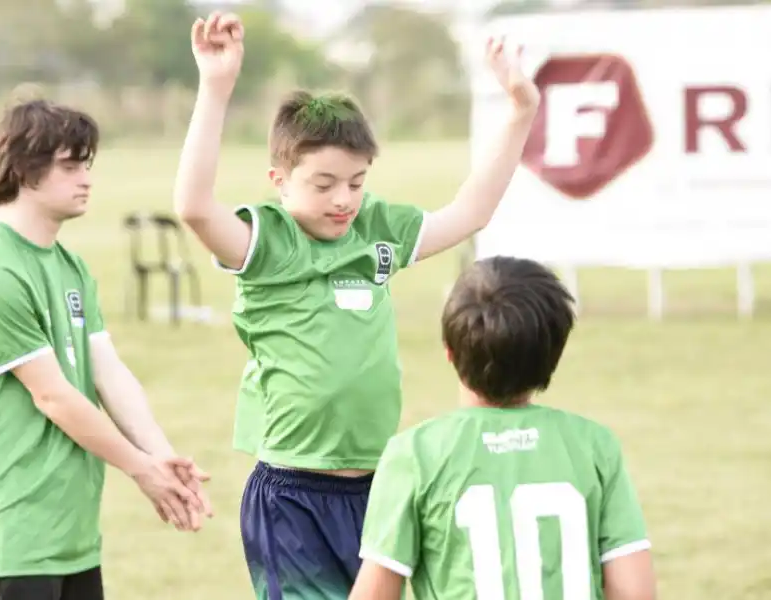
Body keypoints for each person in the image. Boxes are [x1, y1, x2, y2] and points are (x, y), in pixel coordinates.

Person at [174, 10, 541, 600]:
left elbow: (470, 212)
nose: (343, 199)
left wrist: (521, 110)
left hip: (379, 487)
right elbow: (194, 207)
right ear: (280, 179)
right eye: (323, 185)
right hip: (292, 491)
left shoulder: (377, 231)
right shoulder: (267, 242)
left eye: (357, 181)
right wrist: (216, 87)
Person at [0, 99, 212, 600]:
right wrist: (140, 469)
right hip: (7, 535)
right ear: (22, 169)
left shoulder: (70, 266)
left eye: (87, 164)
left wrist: (163, 456)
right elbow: (54, 397)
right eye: (70, 165)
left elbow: (109, 373)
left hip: (72, 534)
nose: (86, 178)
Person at [349, 256, 657, 600]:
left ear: (449, 351)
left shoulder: (415, 453)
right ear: (553, 355)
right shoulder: (595, 445)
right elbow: (635, 591)